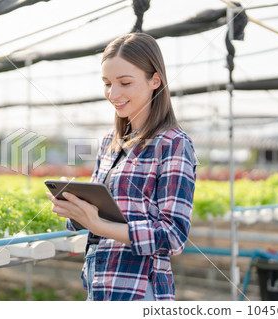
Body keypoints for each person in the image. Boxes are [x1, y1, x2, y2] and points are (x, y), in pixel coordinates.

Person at [46, 33, 197, 301]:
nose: (113, 94)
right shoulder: (110, 142)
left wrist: (100, 225)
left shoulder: (173, 144)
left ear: (155, 80)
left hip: (140, 289)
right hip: (100, 283)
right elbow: (102, 214)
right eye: (106, 83)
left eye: (125, 83)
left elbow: (173, 236)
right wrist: (74, 209)